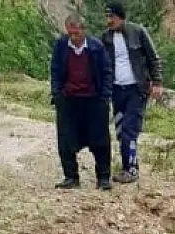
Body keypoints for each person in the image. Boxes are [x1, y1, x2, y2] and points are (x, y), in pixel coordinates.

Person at [50, 13, 115, 190]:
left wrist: (105, 97)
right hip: (69, 100)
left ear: (83, 30)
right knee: (65, 139)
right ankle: (71, 177)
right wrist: (57, 94)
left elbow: (107, 72)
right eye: (70, 33)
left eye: (76, 33)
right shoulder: (61, 46)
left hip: (93, 100)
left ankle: (103, 179)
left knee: (100, 141)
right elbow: (55, 70)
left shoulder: (96, 47)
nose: (73, 37)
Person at [101, 2, 164, 184]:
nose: (109, 20)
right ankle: (126, 165)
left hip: (136, 90)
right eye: (107, 17)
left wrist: (157, 82)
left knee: (130, 129)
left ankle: (132, 169)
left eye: (111, 17)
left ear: (121, 17)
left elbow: (153, 58)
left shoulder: (138, 32)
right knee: (121, 130)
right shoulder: (105, 38)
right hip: (116, 90)